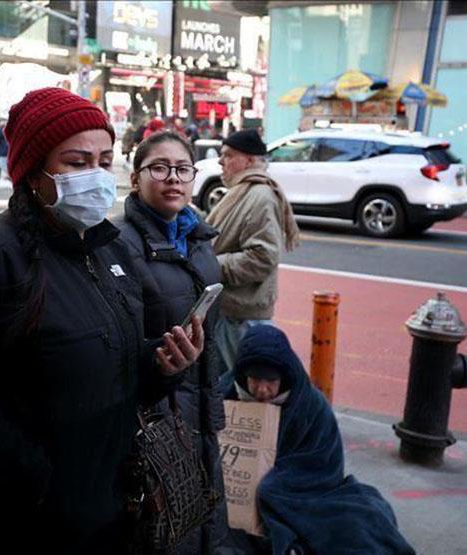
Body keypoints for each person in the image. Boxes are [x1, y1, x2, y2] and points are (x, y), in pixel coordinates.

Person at [0, 87, 205, 554]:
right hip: (17, 522)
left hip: (107, 510)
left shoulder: (108, 247)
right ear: (33, 172)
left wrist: (162, 365)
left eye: (105, 161)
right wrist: (34, 479)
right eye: (76, 161)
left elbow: (113, 364)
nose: (96, 176)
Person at [114, 130, 227, 554]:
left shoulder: (199, 240)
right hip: (155, 412)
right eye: (159, 168)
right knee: (162, 522)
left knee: (202, 512)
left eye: (182, 169)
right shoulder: (119, 244)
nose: (173, 179)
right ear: (135, 178)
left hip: (199, 405)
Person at [221, 325, 416, 555]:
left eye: (271, 381)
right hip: (241, 493)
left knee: (358, 524)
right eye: (255, 380)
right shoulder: (225, 392)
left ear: (283, 376)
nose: (262, 390)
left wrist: (273, 482)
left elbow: (323, 463)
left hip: (301, 489)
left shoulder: (311, 405)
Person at [205, 129, 300, 375]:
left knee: (236, 388)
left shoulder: (260, 196)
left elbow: (262, 257)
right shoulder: (244, 192)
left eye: (227, 155)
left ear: (248, 160)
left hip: (241, 317)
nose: (220, 161)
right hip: (232, 313)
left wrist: (210, 265)